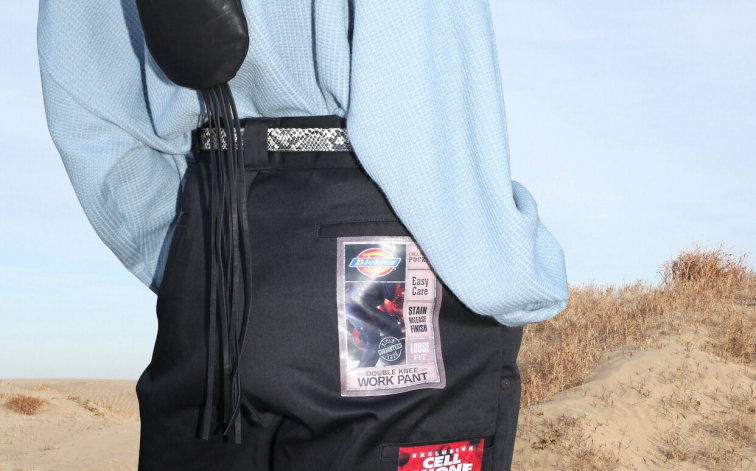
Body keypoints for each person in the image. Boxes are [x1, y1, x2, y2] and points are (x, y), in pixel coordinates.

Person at [38, 1, 569, 469]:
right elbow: (413, 84)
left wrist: (188, 249)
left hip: (212, 241)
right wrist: (503, 264)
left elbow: (87, 97)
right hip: (380, 220)